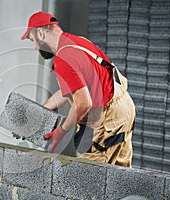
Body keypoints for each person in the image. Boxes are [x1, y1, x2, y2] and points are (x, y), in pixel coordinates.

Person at [21, 11, 136, 167]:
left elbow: (83, 103)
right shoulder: (78, 42)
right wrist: (42, 111)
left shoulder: (64, 58)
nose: (35, 47)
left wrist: (61, 132)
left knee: (91, 174)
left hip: (106, 119)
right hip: (123, 108)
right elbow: (72, 90)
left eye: (33, 40)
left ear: (40, 33)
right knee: (120, 174)